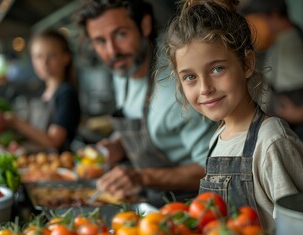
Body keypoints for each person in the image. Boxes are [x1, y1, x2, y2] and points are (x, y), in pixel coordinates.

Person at [162, 0, 303, 235]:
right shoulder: (218, 138)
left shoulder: (271, 141)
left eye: (217, 69)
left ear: (247, 64)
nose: (205, 88)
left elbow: (301, 231)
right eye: (190, 77)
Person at [75, 0, 216, 205]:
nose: (112, 51)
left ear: (145, 25)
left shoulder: (180, 88)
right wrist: (115, 145)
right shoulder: (123, 69)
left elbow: (211, 169)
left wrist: (141, 177)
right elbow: (147, 125)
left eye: (121, 34)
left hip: (194, 206)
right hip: (150, 201)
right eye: (100, 41)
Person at [242, 0, 303, 155]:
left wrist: (300, 114)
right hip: (279, 130)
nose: (253, 27)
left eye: (257, 20)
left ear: (274, 14)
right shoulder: (268, 45)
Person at [4, 30, 81, 153]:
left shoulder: (66, 93)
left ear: (66, 58)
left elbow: (54, 140)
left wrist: (17, 123)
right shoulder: (43, 92)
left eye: (52, 56)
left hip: (61, 167)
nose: (44, 63)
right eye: (38, 56)